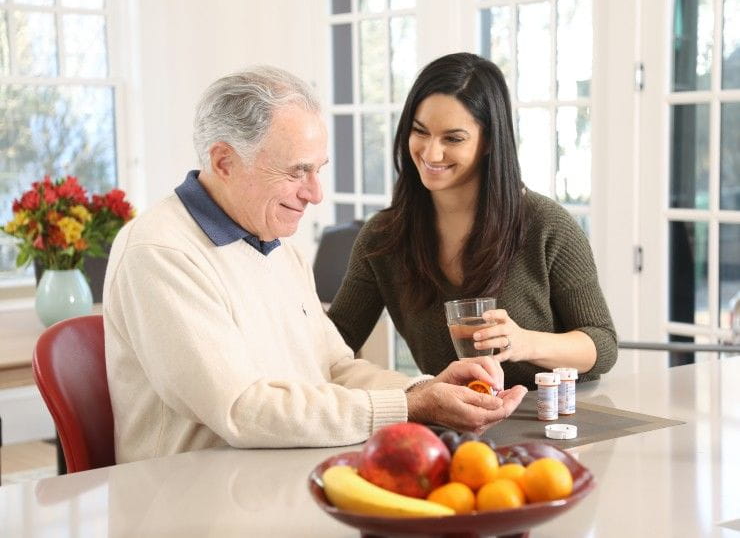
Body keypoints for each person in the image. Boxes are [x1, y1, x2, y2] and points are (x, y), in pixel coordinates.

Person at [103, 66, 527, 463]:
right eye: (296, 171)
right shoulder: (161, 252)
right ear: (224, 162)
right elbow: (241, 408)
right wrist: (410, 406)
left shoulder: (276, 245)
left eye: (318, 170)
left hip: (280, 477)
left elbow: (334, 368)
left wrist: (425, 388)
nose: (315, 193)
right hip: (193, 501)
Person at [327, 53, 618, 389]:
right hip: (455, 419)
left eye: (453, 139)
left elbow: (603, 344)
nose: (431, 153)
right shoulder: (383, 237)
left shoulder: (546, 225)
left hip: (554, 417)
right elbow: (336, 342)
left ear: (489, 141)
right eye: (420, 132)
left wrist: (523, 342)